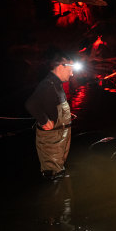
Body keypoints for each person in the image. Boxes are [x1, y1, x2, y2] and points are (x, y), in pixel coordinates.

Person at [26, 50, 75, 181]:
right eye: (70, 69)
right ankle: (53, 197)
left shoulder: (57, 84)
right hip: (51, 142)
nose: (72, 73)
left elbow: (53, 105)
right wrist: (44, 120)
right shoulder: (47, 85)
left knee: (59, 171)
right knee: (52, 175)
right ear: (61, 67)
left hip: (60, 137)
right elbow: (31, 104)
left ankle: (63, 197)